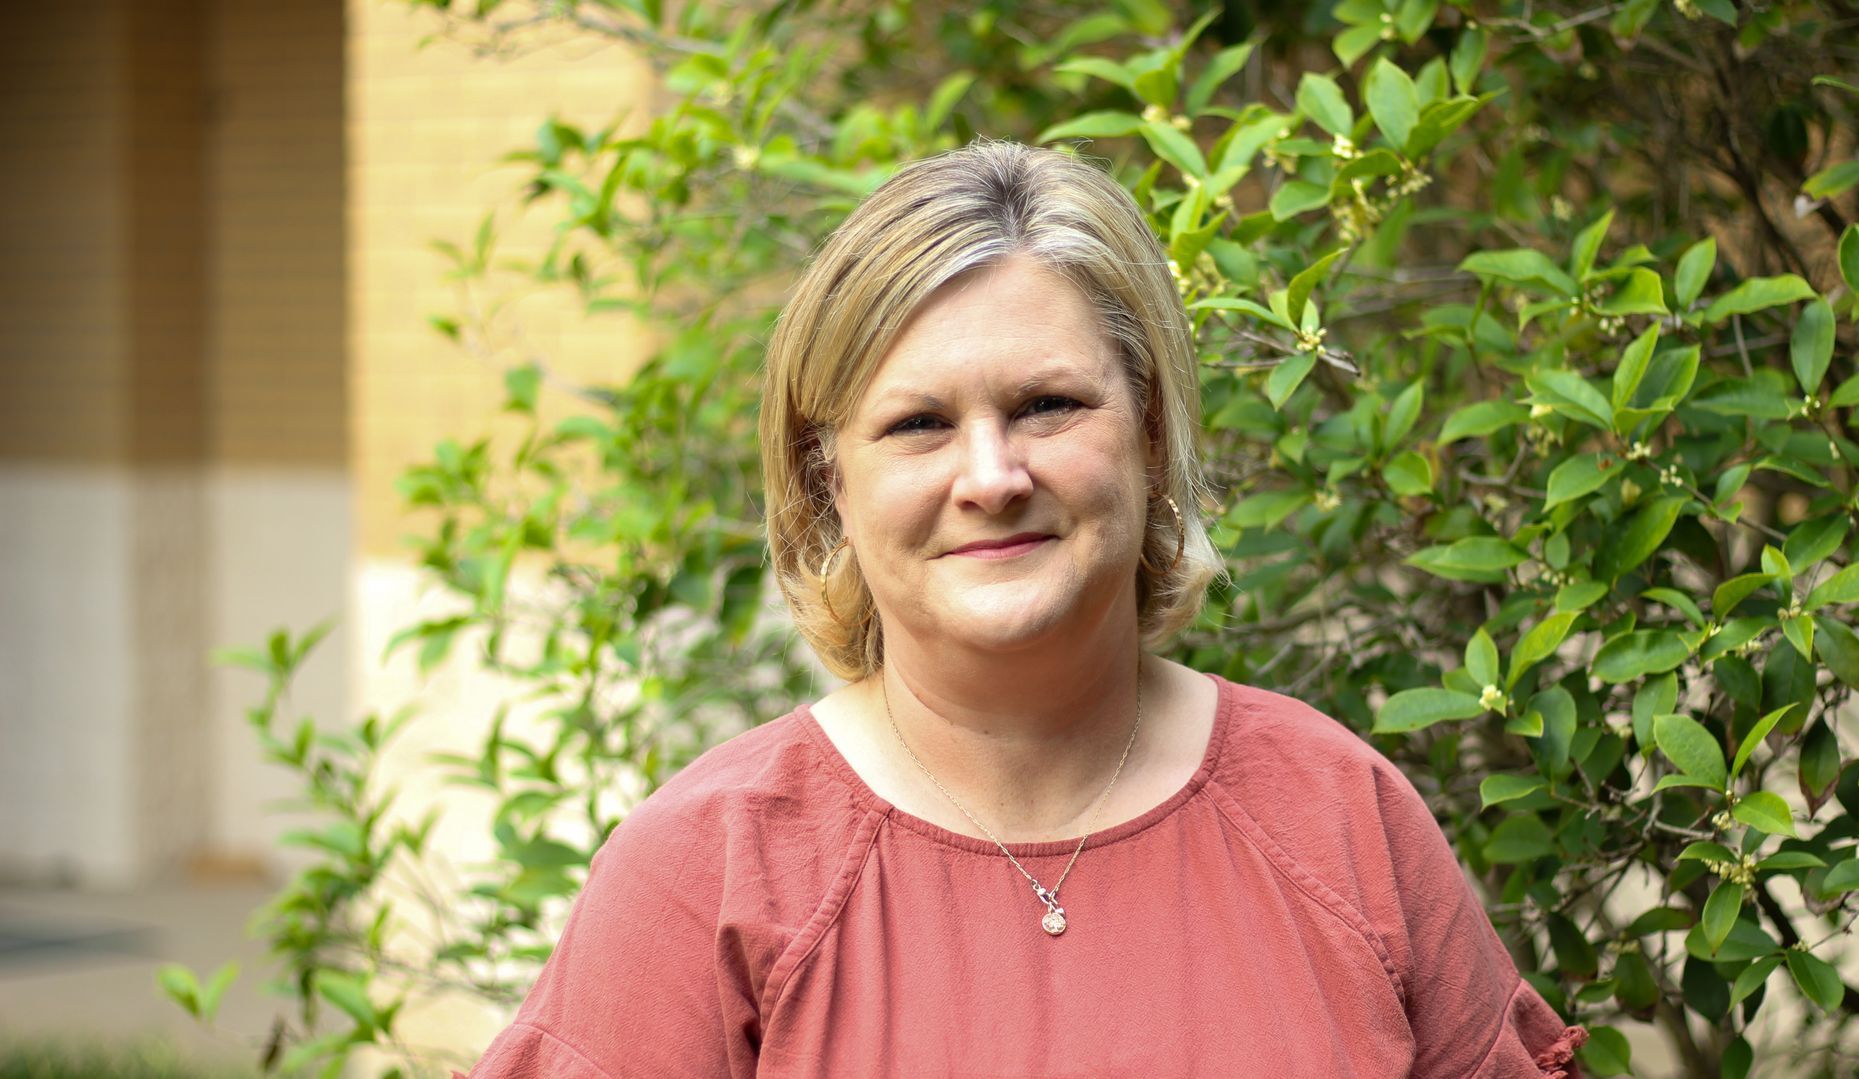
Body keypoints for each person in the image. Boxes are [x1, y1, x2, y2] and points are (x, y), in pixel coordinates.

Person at [462, 140, 1587, 1077]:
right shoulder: (706, 873)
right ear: (826, 483)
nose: (992, 475)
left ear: (1149, 432)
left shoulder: (1338, 816)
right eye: (918, 424)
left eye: (1047, 404)